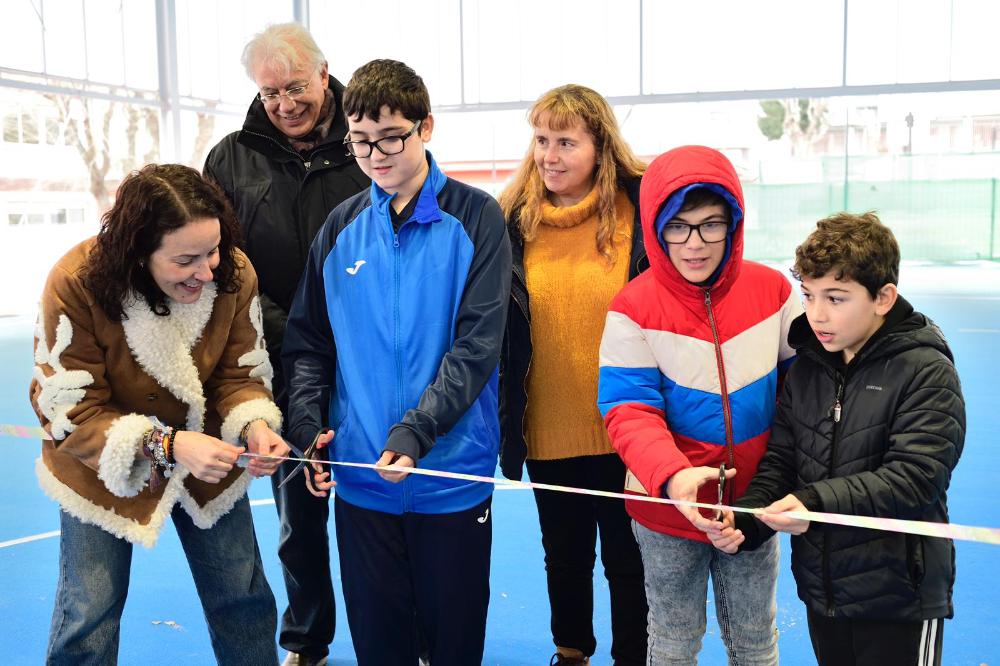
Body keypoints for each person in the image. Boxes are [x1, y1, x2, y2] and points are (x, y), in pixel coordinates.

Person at [281, 59, 511, 666]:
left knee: (453, 647)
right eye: (360, 141)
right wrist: (307, 429)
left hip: (450, 475)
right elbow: (308, 345)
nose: (375, 155)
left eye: (391, 137)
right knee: (381, 649)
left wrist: (418, 431)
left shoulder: (477, 217)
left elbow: (478, 344)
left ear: (426, 127)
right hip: (362, 484)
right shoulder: (340, 229)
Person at [29, 164, 289, 665]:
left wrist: (255, 424)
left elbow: (240, 373)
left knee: (244, 597)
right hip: (99, 463)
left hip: (209, 452)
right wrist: (164, 445)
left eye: (213, 250)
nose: (207, 271)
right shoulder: (74, 281)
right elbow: (66, 407)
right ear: (138, 253)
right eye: (186, 259)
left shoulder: (234, 272)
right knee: (88, 612)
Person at [707, 212, 965, 666]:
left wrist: (814, 503)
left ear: (883, 297)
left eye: (836, 298)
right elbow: (783, 460)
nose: (817, 314)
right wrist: (745, 519)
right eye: (808, 295)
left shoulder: (925, 369)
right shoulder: (809, 365)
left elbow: (915, 478)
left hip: (899, 596)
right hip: (823, 588)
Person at [203, 22, 369, 666]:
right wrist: (287, 327)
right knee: (298, 520)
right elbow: (222, 265)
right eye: (270, 93)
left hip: (367, 361)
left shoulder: (368, 138)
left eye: (295, 87)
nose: (284, 104)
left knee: (377, 512)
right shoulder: (229, 158)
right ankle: (306, 641)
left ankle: (399, 636)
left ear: (325, 72)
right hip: (275, 363)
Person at [596, 145, 801, 664]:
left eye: (711, 225)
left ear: (734, 225)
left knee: (756, 638)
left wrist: (782, 485)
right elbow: (628, 409)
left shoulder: (775, 291)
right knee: (672, 639)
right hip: (665, 511)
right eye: (677, 227)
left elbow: (803, 395)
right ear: (655, 228)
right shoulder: (631, 308)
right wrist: (674, 478)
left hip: (755, 507)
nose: (694, 244)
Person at [497, 84, 648, 666]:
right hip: (546, 424)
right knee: (563, 554)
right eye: (541, 140)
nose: (549, 155)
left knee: (628, 558)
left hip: (628, 427)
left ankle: (634, 655)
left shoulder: (640, 214)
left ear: (600, 146)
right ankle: (571, 652)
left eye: (566, 141)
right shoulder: (512, 221)